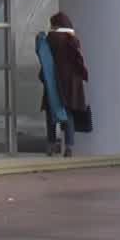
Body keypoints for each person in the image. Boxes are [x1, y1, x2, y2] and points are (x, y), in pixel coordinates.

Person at [37, 13, 90, 157]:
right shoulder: (72, 40)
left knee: (51, 112)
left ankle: (51, 145)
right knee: (69, 113)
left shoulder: (48, 39)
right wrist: (83, 75)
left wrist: (43, 77)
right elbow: (78, 61)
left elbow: (45, 60)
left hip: (53, 81)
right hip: (71, 83)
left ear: (55, 24)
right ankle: (69, 147)